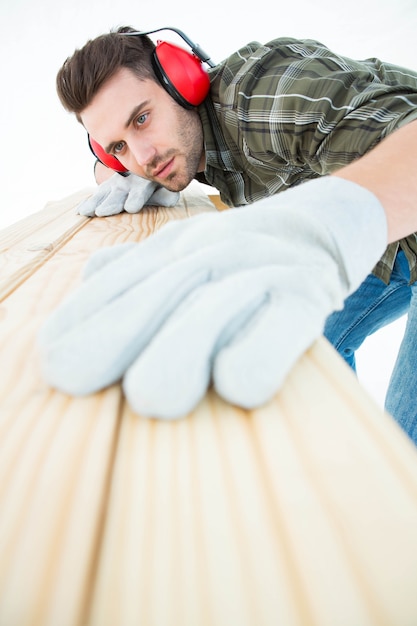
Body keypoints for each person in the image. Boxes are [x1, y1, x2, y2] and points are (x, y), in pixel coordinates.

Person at [40, 26, 417, 440]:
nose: (143, 156)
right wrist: (114, 170)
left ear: (182, 81)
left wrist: (325, 225)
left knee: (406, 447)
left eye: (142, 119)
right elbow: (127, 158)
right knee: (305, 349)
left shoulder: (262, 96)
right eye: (119, 147)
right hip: (387, 243)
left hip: (393, 211)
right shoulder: (182, 145)